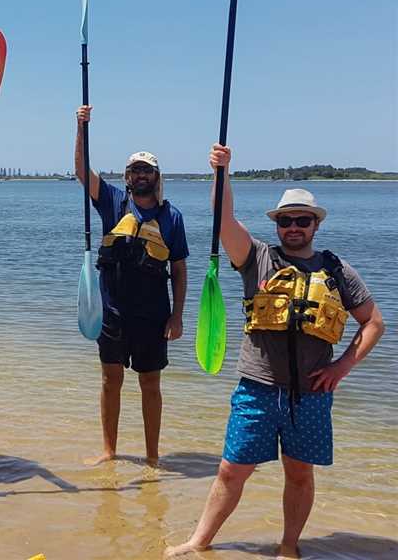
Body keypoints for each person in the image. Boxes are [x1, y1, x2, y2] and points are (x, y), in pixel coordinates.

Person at [166, 144, 385, 559]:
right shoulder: (257, 258)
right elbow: (223, 220)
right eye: (287, 221)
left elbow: (374, 323)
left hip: (312, 393)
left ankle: (288, 545)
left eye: (302, 220)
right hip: (258, 389)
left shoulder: (336, 270)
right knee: (231, 470)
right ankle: (199, 542)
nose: (294, 227)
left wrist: (342, 367)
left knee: (299, 474)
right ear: (279, 225)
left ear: (315, 225)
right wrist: (222, 173)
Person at [74, 105, 189, 466]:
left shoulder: (172, 217)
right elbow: (81, 170)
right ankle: (110, 451)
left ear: (156, 176)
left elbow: (180, 269)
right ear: (126, 177)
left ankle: (153, 456)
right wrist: (81, 127)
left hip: (153, 314)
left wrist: (177, 316)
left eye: (146, 170)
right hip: (111, 311)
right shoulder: (111, 201)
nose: (140, 175)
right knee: (111, 380)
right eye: (134, 169)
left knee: (150, 385)